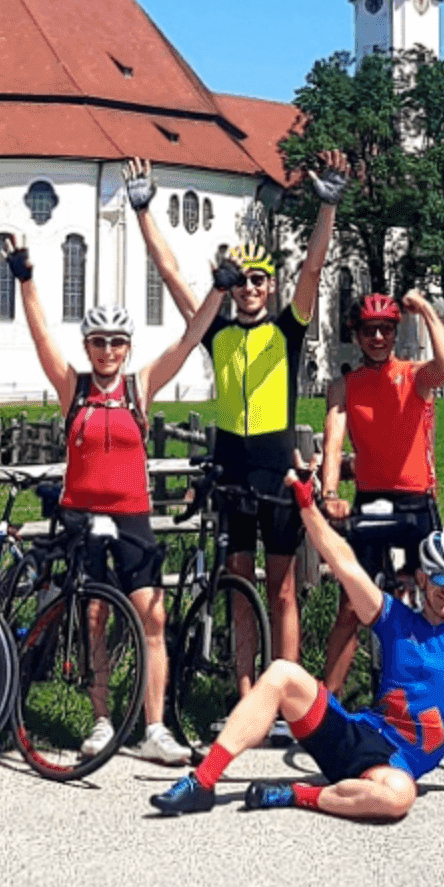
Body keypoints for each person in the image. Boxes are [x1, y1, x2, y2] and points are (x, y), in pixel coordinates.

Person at [150, 472, 444, 818]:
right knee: (281, 673)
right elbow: (344, 563)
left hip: (390, 769)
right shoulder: (396, 619)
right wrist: (308, 507)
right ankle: (202, 782)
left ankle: (295, 795)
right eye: (439, 577)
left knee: (399, 798)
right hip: (351, 735)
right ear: (422, 579)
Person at [128, 152, 346, 727]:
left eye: (258, 280)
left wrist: (327, 205)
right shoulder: (218, 331)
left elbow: (315, 270)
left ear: (269, 287)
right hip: (230, 470)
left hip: (277, 471)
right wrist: (145, 210)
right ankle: (246, 693)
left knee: (283, 590)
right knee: (235, 587)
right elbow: (172, 275)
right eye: (241, 280)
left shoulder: (286, 329)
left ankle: (292, 702)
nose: (249, 288)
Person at [9, 233, 228, 764]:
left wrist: (219, 291)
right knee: (94, 621)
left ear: (127, 347)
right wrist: (25, 279)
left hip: (132, 515)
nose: (108, 351)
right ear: (87, 346)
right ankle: (101, 720)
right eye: (99, 342)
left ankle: (154, 727)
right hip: (82, 515)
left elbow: (188, 338)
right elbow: (41, 338)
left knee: (151, 618)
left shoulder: (140, 386)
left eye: (117, 343)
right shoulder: (73, 387)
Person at [318, 289, 444, 697]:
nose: (377, 337)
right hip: (370, 500)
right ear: (356, 335)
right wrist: (328, 493)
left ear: (396, 333)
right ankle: (323, 709)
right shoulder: (344, 386)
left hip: (416, 501)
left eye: (386, 330)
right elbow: (333, 442)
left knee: (438, 598)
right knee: (350, 605)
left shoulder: (414, 376)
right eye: (368, 330)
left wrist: (427, 309)